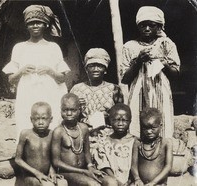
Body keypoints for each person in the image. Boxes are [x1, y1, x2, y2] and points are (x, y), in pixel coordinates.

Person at [2, 5, 70, 138]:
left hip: (50, 93)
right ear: (26, 26)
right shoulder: (19, 48)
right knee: (26, 123)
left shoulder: (53, 47)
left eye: (38, 22)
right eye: (31, 23)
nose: (35, 26)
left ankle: (51, 155)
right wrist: (21, 71)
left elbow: (62, 78)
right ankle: (28, 155)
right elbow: (11, 80)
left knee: (51, 122)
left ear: (45, 25)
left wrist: (50, 71)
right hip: (28, 94)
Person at [121, 6, 180, 138]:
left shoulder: (166, 44)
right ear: (138, 26)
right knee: (137, 132)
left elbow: (176, 75)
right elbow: (124, 79)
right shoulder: (130, 46)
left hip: (161, 94)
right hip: (138, 95)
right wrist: (138, 61)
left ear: (159, 27)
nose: (146, 29)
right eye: (143, 25)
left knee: (162, 131)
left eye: (151, 25)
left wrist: (163, 63)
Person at [51, 93, 118, 186]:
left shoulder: (83, 128)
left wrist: (90, 167)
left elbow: (87, 153)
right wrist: (83, 171)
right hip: (67, 173)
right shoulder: (58, 132)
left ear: (79, 110)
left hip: (84, 170)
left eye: (73, 110)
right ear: (60, 110)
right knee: (93, 185)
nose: (69, 113)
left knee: (112, 182)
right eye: (65, 110)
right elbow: (56, 162)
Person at [15, 102, 67, 186]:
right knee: (48, 185)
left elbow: (51, 158)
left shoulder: (52, 134)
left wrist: (52, 171)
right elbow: (18, 159)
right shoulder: (25, 134)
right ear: (31, 119)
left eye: (44, 118)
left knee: (63, 183)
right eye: (36, 119)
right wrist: (36, 173)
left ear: (51, 119)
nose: (40, 122)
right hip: (29, 176)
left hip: (45, 175)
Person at [70, 48, 123, 129]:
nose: (95, 69)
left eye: (100, 66)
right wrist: (77, 107)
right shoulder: (77, 89)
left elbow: (120, 115)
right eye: (91, 66)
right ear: (86, 69)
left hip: (107, 133)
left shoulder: (114, 89)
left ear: (105, 69)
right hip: (82, 131)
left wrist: (107, 115)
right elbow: (68, 114)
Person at [91, 103, 136, 186]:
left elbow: (137, 166)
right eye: (116, 120)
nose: (120, 124)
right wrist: (118, 182)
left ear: (130, 121)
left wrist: (129, 182)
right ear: (110, 120)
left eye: (125, 120)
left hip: (131, 180)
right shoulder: (103, 142)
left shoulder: (135, 142)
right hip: (112, 180)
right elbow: (104, 166)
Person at [131, 108, 173, 186]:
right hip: (140, 184)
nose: (149, 131)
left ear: (160, 126)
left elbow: (168, 167)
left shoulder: (166, 143)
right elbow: (133, 165)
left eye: (153, 128)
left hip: (159, 184)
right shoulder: (138, 143)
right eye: (145, 128)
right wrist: (137, 179)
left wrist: (153, 183)